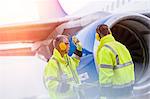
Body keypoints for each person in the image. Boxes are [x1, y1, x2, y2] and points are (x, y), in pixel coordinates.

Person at [95, 24, 135, 99]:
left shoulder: (105, 50)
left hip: (116, 90)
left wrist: (104, 91)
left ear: (97, 36)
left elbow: (106, 73)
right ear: (110, 32)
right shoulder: (121, 46)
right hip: (129, 86)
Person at [44, 35, 83, 99]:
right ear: (61, 46)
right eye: (67, 44)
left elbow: (76, 59)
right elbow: (51, 84)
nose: (69, 46)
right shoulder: (53, 63)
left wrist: (79, 46)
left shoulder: (67, 59)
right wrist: (70, 88)